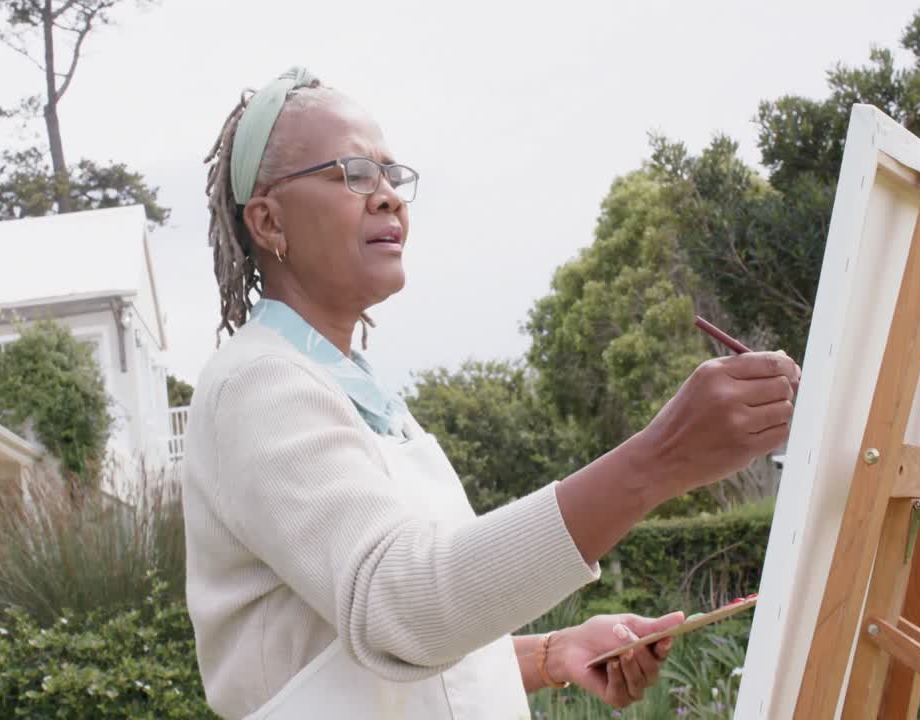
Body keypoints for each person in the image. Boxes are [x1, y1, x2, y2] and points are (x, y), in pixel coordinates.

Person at [181, 66, 800, 720]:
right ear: (269, 222)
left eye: (393, 174)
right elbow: (396, 607)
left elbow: (399, 642)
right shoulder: (256, 384)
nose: (388, 196)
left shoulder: (358, 391)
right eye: (354, 173)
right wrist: (660, 459)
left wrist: (549, 654)